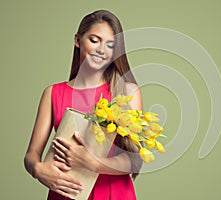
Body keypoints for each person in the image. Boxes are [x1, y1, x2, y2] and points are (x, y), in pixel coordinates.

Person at [24, 10, 142, 200]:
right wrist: (37, 169)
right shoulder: (52, 93)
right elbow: (31, 154)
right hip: (66, 192)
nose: (101, 50)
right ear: (78, 40)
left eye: (110, 45)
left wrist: (92, 162)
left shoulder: (127, 92)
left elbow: (134, 160)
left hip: (113, 193)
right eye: (94, 40)